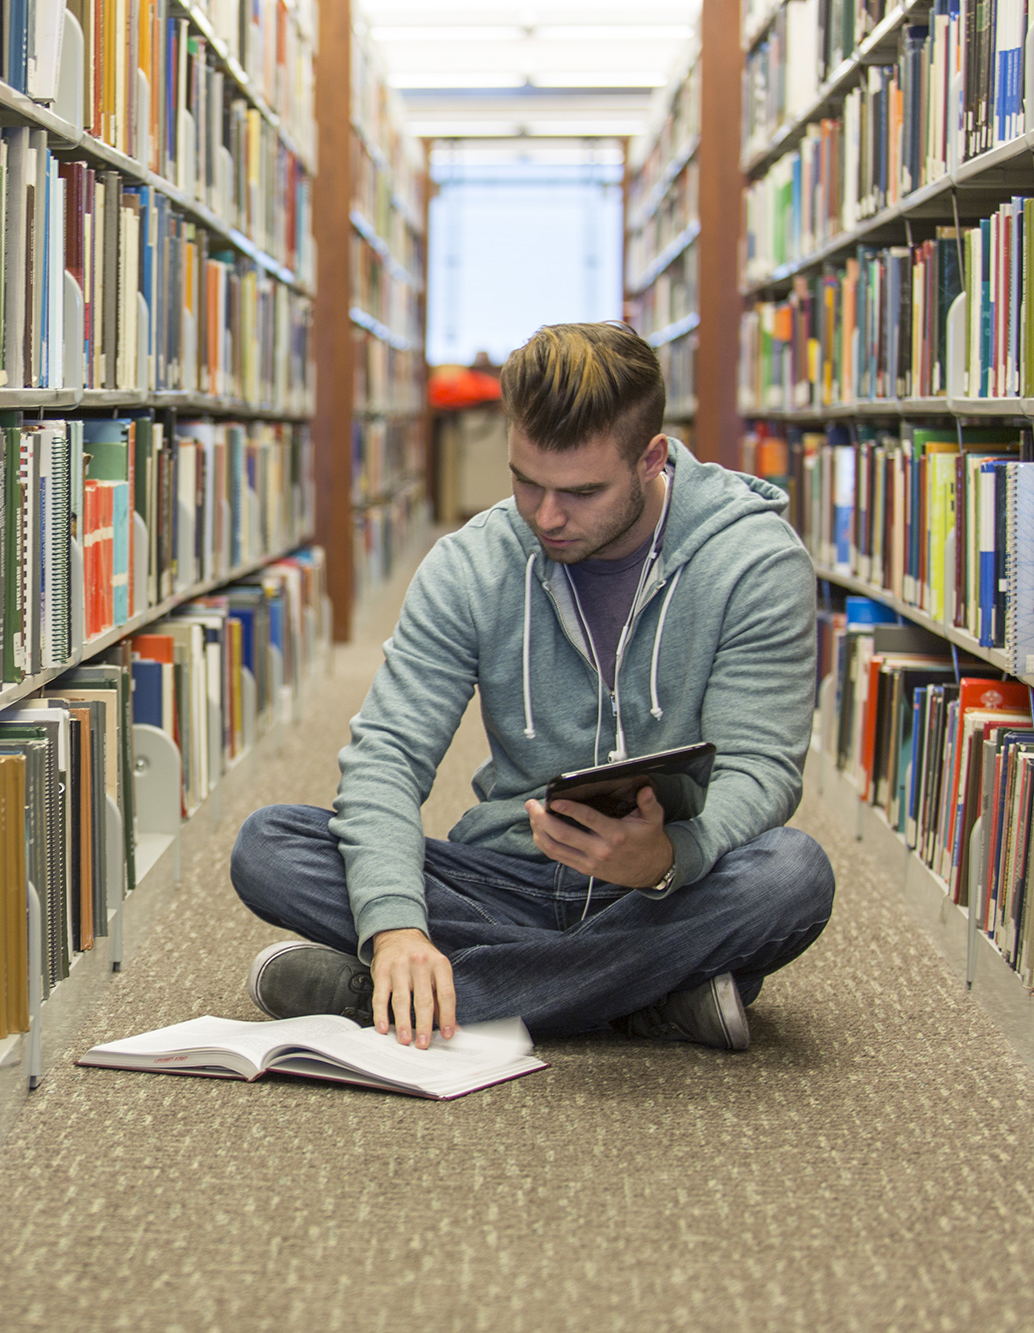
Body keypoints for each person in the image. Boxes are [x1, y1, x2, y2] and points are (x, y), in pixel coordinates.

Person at [231, 321, 834, 1052]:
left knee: (792, 874)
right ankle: (646, 993)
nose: (546, 516)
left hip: (661, 885)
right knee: (269, 845)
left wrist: (669, 856)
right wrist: (395, 927)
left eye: (581, 491)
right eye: (525, 481)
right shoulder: (472, 563)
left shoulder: (753, 560)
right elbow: (387, 754)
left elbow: (761, 766)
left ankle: (403, 998)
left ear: (651, 458)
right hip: (506, 875)